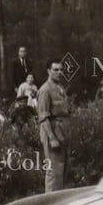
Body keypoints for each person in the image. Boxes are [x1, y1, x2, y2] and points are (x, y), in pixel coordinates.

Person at [37, 62, 71, 192]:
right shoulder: (45, 90)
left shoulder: (60, 88)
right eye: (56, 69)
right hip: (53, 133)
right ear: (48, 71)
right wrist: (52, 138)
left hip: (63, 132)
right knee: (53, 173)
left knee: (62, 172)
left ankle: (60, 204)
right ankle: (51, 204)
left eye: (61, 70)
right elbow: (43, 118)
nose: (59, 72)